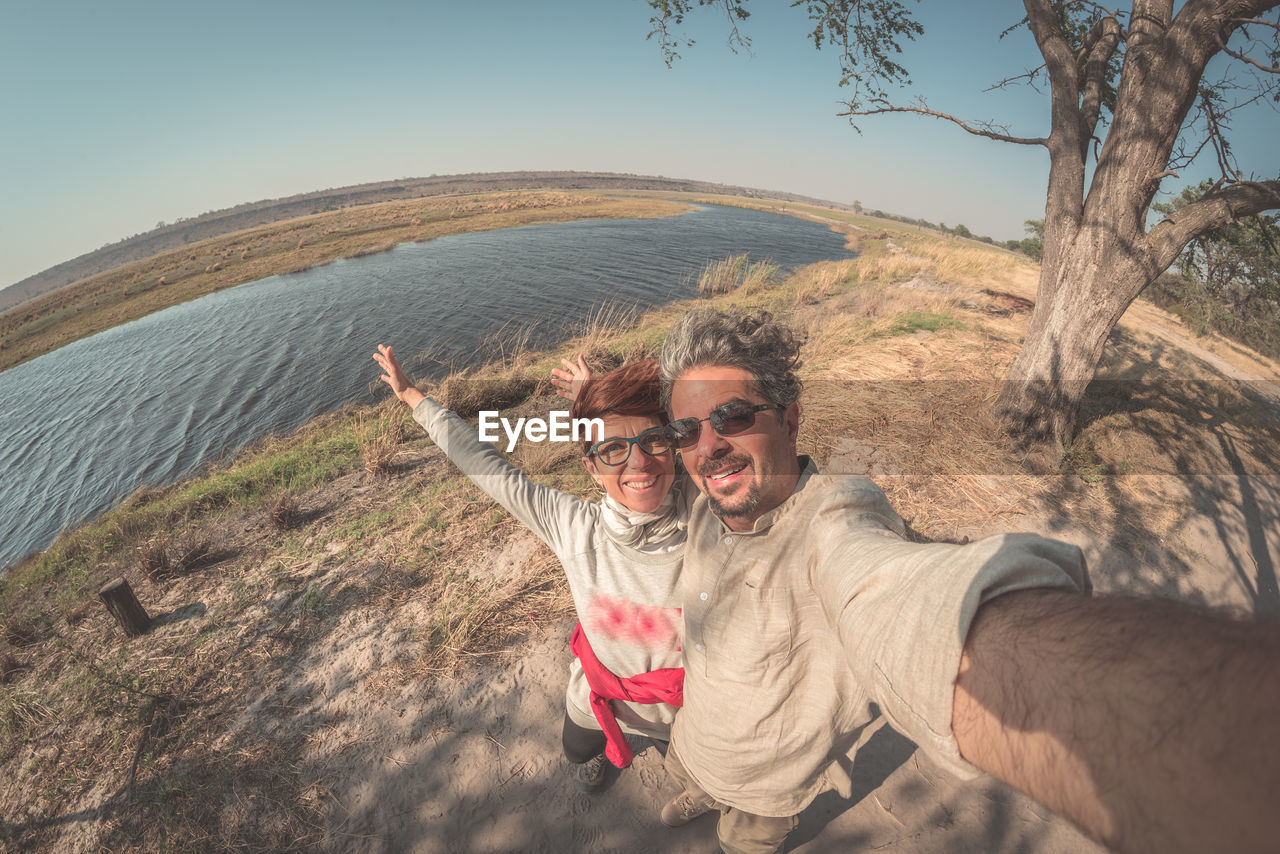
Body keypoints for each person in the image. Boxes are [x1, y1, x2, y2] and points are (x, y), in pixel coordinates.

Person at [653, 308, 1280, 854]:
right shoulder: (707, 501)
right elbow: (623, 471)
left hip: (772, 782)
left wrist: (1112, 696)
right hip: (702, 737)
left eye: (731, 417)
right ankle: (702, 790)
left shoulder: (834, 517)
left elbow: (897, 595)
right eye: (687, 431)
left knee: (745, 843)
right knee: (696, 771)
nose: (707, 446)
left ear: (789, 422)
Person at [372, 344, 691, 792]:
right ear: (591, 468)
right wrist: (410, 397)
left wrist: (593, 401)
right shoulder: (572, 527)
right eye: (614, 449)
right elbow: (481, 460)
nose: (639, 462)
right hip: (600, 690)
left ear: (674, 449)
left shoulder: (711, 517)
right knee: (577, 749)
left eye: (654, 441)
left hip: (685, 707)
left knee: (680, 759)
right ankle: (610, 752)